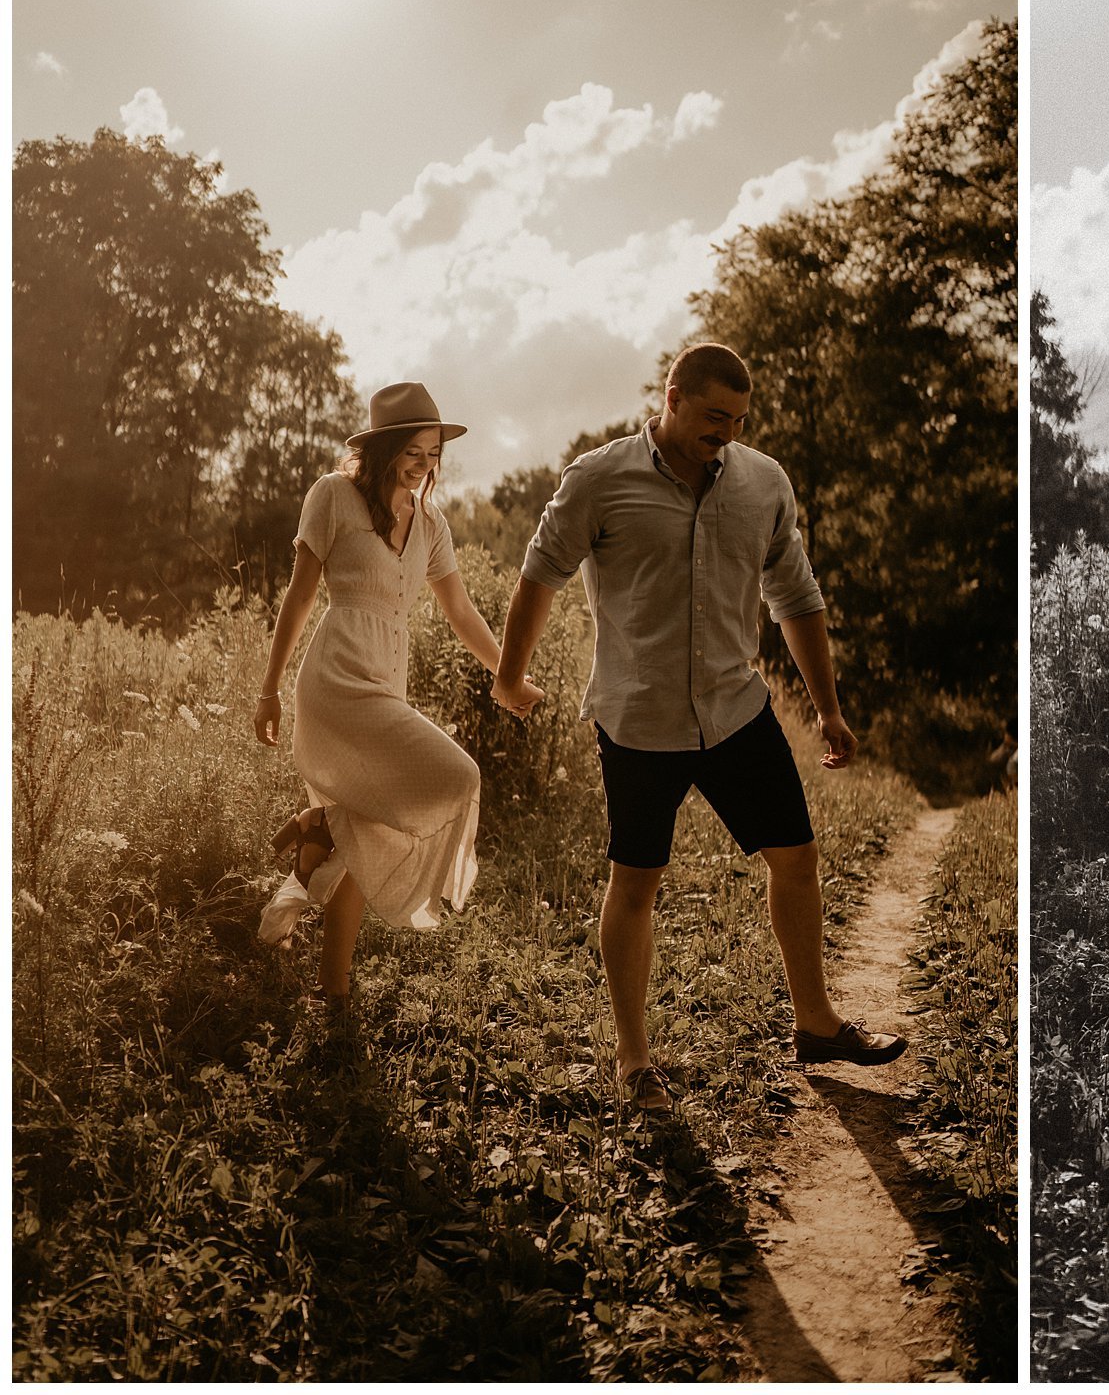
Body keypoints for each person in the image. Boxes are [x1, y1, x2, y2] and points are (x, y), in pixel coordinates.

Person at [491, 342, 905, 1115]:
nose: (728, 432)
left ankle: (815, 1022)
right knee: (637, 882)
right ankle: (635, 1060)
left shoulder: (762, 482)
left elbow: (797, 598)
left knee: (797, 857)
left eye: (740, 420)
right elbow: (538, 575)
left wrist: (829, 707)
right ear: (673, 397)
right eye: (715, 417)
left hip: (735, 709)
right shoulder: (599, 477)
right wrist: (509, 676)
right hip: (638, 716)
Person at [253, 384, 534, 1009]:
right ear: (381, 447)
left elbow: (460, 611)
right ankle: (319, 828)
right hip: (336, 680)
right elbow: (300, 597)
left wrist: (506, 675)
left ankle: (334, 990)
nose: (424, 465)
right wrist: (268, 689)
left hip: (388, 681)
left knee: (369, 831)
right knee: (459, 774)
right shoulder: (333, 495)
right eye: (412, 450)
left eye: (432, 453)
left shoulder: (431, 525)